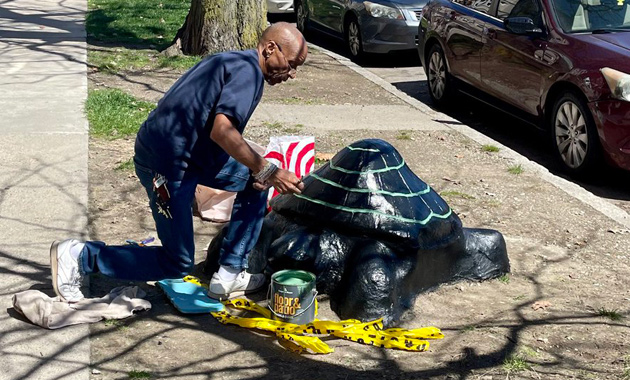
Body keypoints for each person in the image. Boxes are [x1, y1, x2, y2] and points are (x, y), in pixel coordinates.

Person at [50, 22, 307, 303]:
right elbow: (222, 131)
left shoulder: (232, 61)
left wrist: (261, 171)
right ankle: (80, 256)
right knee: (178, 262)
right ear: (270, 48)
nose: (293, 74)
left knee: (255, 181)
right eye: (292, 64)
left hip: (186, 156)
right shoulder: (248, 73)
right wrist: (267, 168)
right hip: (166, 166)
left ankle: (230, 273)